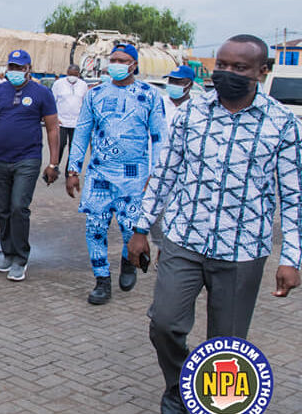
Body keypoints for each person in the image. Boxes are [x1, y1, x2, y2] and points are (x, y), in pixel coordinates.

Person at [127, 35, 301, 414]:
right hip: (184, 241)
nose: (227, 73)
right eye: (221, 65)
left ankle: (211, 403)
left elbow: (293, 197)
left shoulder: (282, 123)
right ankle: (179, 385)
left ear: (262, 72)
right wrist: (140, 229)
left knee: (226, 345)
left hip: (242, 253)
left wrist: (291, 258)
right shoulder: (192, 112)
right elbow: (165, 173)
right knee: (165, 325)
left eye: (239, 68)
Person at [65, 44, 165, 305]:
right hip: (99, 175)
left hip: (134, 179)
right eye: (113, 60)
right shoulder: (95, 94)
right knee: (95, 229)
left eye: (122, 60)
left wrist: (155, 175)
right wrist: (73, 168)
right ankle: (102, 281)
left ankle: (127, 261)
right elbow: (82, 133)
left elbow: (158, 138)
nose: (116, 65)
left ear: (134, 65)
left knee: (130, 229)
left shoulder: (150, 95)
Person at [0, 49, 61, 282]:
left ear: (29, 69)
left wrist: (53, 162)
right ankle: (7, 253)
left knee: (19, 206)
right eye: (12, 67)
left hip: (28, 159)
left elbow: (52, 128)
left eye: (20, 67)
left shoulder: (42, 93)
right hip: (1, 158)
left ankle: (21, 258)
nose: (16, 71)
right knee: (3, 209)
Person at [51, 64, 88, 170]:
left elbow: (85, 103)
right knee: (60, 145)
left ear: (78, 74)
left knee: (74, 148)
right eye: (70, 74)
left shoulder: (83, 85)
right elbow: (52, 102)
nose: (72, 76)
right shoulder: (58, 84)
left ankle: (70, 170)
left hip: (77, 122)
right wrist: (54, 118)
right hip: (61, 121)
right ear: (67, 73)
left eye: (75, 74)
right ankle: (55, 166)